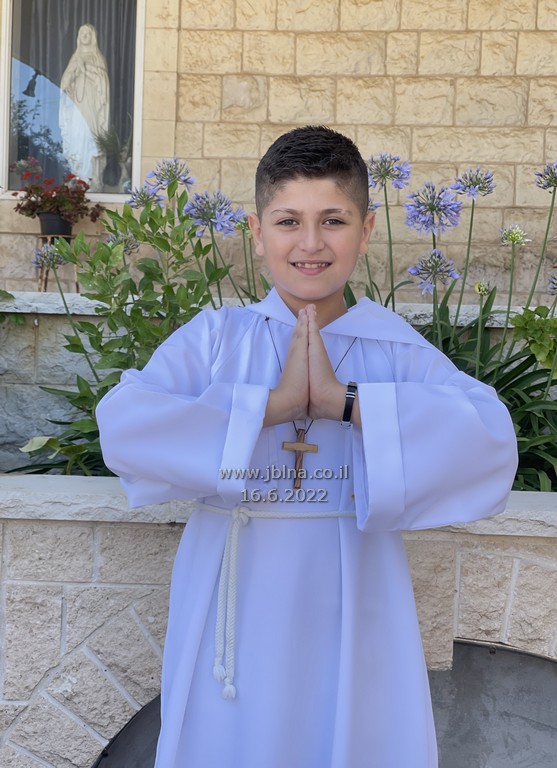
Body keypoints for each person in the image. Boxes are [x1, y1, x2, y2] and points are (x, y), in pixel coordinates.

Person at [95, 126, 518, 767]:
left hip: (354, 594)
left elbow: (488, 439)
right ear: (257, 231)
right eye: (288, 221)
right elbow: (125, 425)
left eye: (334, 221)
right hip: (234, 597)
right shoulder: (217, 339)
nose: (311, 243)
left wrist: (348, 404)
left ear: (366, 230)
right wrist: (274, 407)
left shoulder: (391, 347)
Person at [59, 23, 109, 188]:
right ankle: (77, 174)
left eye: (88, 33)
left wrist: (85, 70)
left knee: (90, 136)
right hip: (76, 105)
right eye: (82, 33)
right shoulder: (75, 58)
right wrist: (74, 73)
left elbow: (102, 83)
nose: (85, 36)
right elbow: (64, 83)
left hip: (91, 104)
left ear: (93, 37)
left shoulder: (97, 58)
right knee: (76, 136)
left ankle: (91, 178)